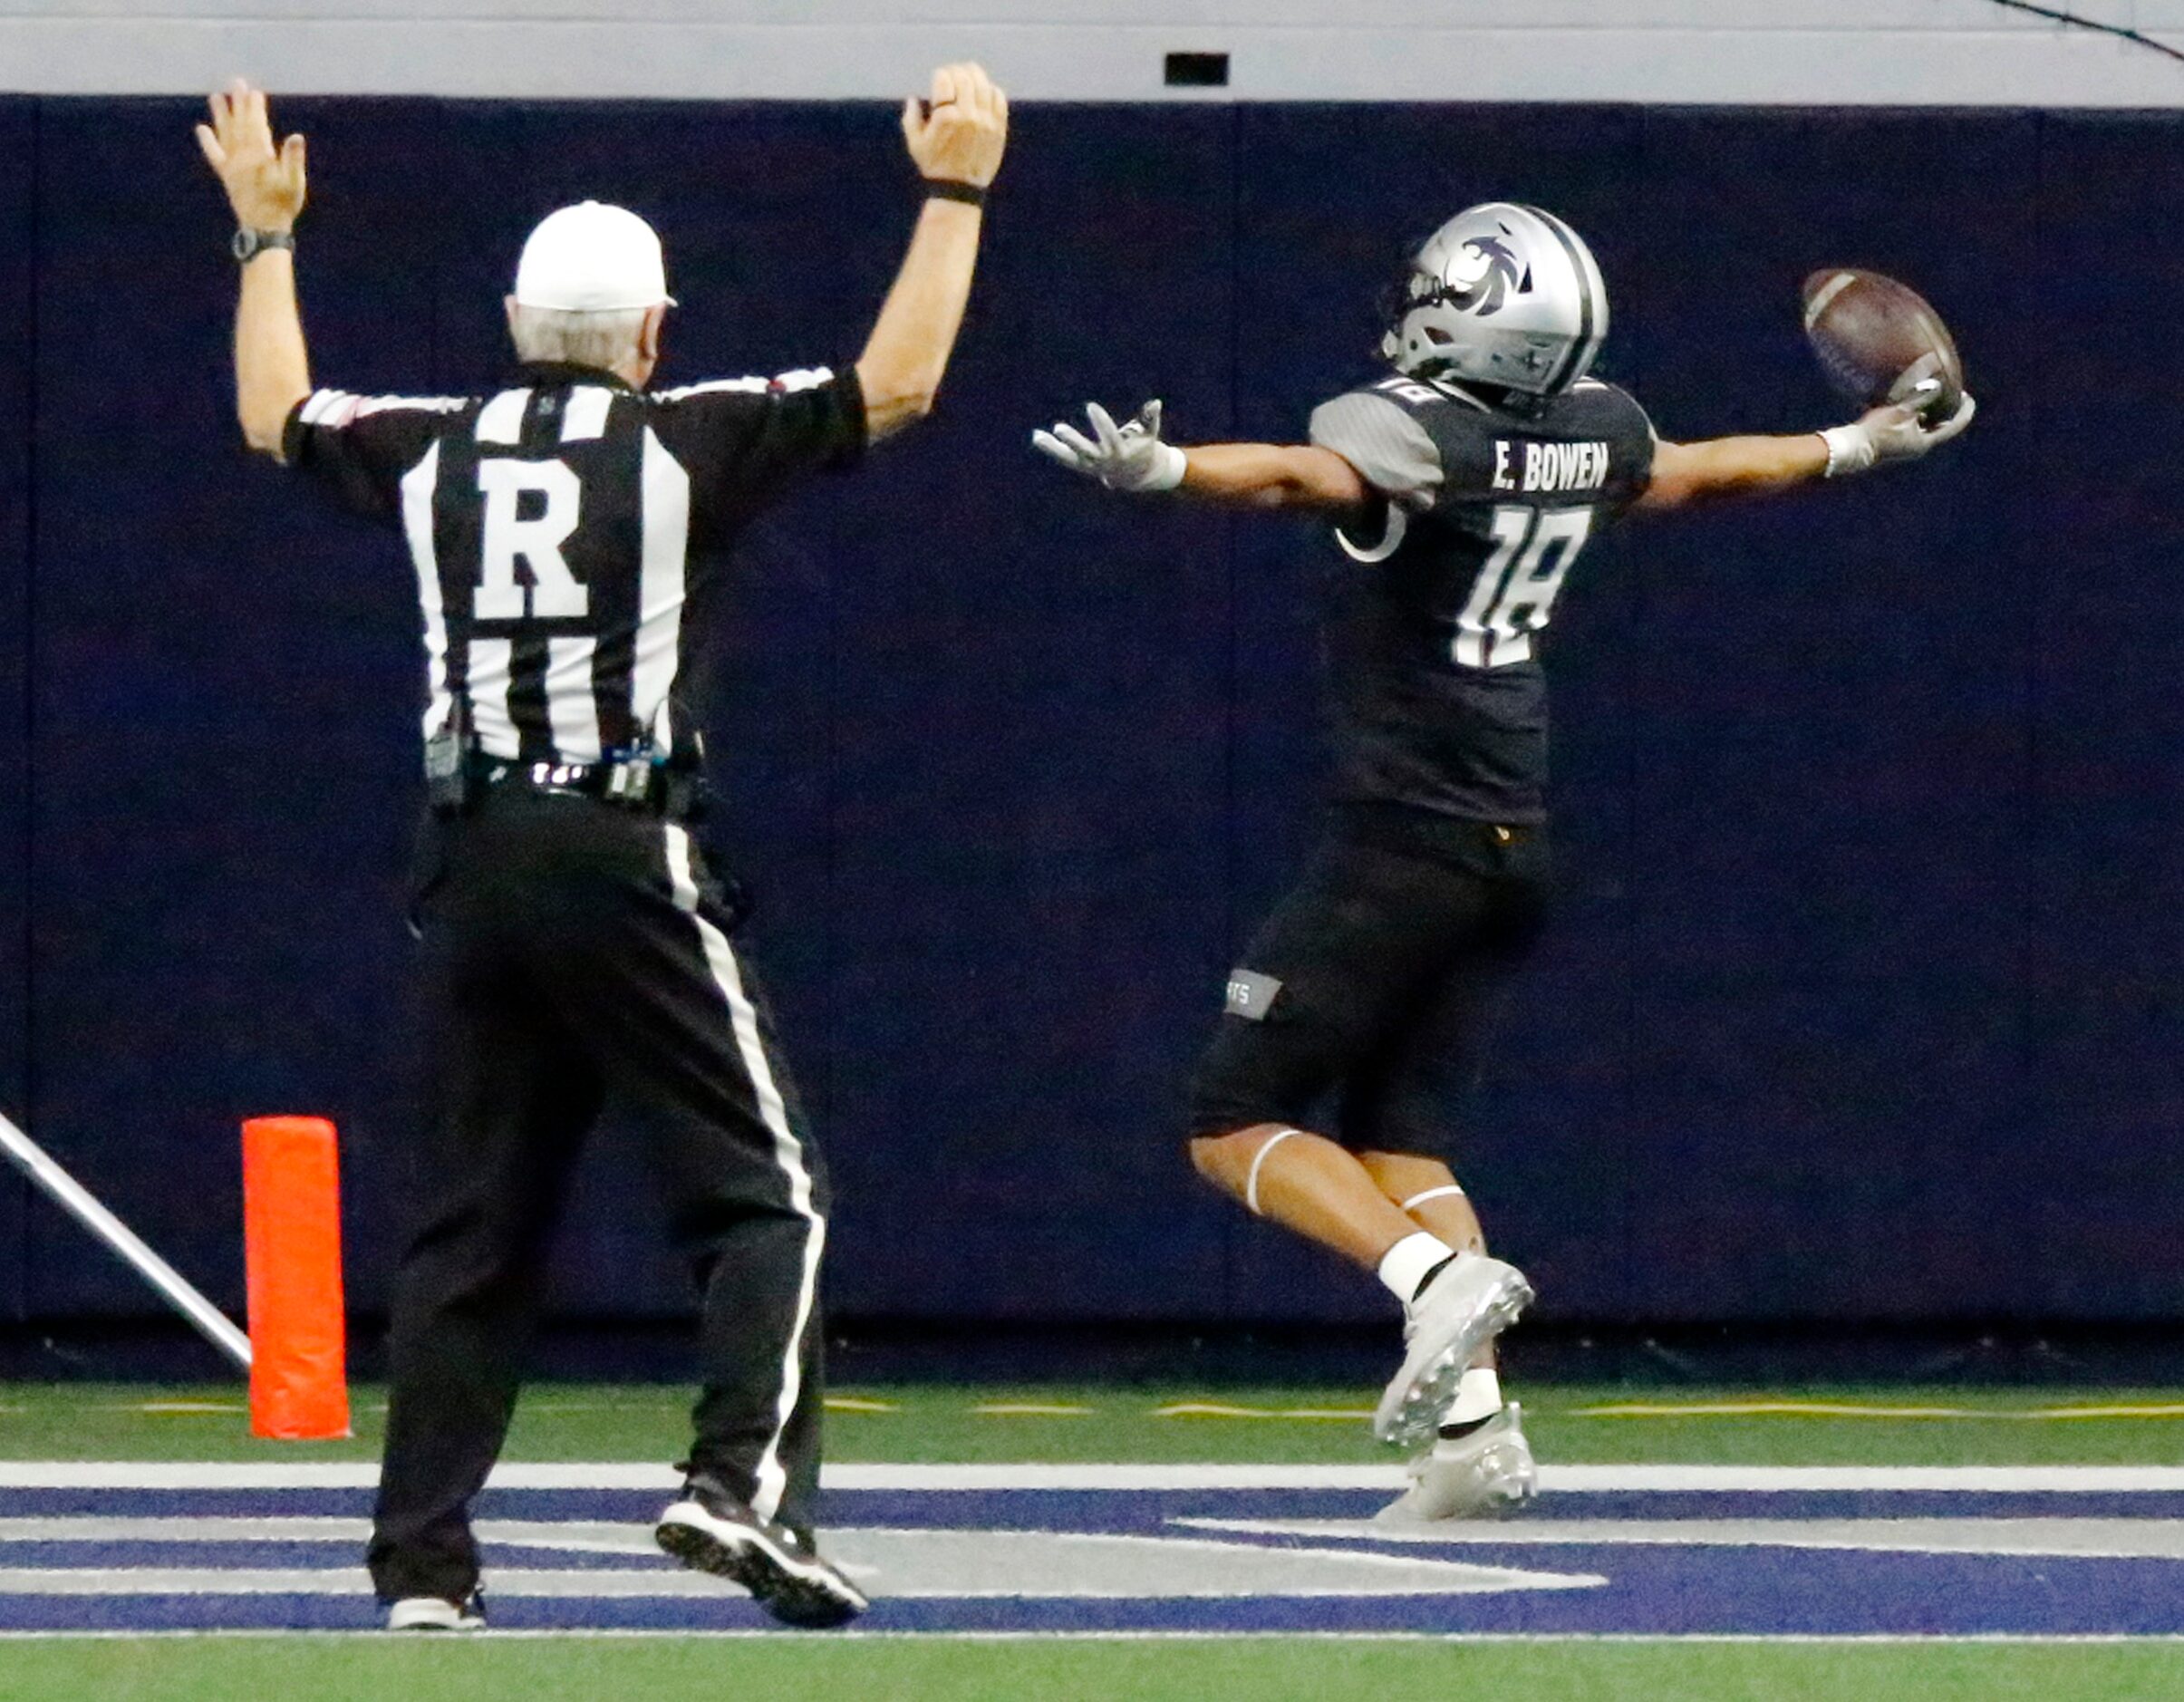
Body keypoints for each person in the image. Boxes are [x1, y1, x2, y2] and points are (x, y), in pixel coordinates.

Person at [196, 66, 1008, 1628]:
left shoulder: (433, 443)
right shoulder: (685, 438)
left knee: (472, 1227)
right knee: (769, 1199)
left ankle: (423, 1569)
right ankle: (737, 1488)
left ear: (514, 322)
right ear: (651, 333)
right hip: (621, 840)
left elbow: (271, 415)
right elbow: (894, 383)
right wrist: (955, 194)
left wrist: (263, 240)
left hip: (472, 847)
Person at [1035, 202, 1972, 1523]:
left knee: (1228, 1116)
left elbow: (1306, 478)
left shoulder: (1403, 432)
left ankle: (1424, 1282)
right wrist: (1856, 443)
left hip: (1398, 833)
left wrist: (1170, 469)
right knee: (1400, 1136)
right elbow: (1703, 472)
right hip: (1507, 839)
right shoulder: (1598, 430)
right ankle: (1470, 1433)